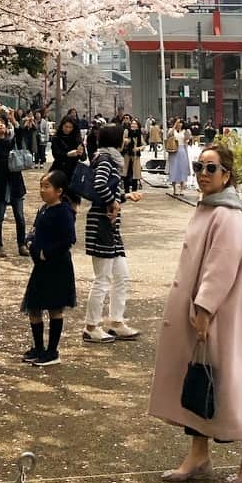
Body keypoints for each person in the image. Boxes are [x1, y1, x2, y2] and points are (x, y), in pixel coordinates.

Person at [149, 142, 242, 483]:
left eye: (211, 168)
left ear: (227, 175)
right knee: (200, 380)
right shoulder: (209, 207)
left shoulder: (226, 215)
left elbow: (221, 267)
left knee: (224, 381)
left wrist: (204, 308)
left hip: (217, 314)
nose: (203, 174)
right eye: (200, 167)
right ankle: (199, 452)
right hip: (203, 311)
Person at [83, 123, 143, 343]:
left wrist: (124, 198)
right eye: (123, 137)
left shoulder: (107, 158)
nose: (126, 140)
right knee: (103, 278)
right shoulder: (106, 159)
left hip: (109, 225)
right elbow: (100, 184)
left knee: (121, 276)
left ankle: (116, 321)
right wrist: (112, 202)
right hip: (101, 224)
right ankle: (91, 326)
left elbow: (106, 190)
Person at [20, 170, 78, 367]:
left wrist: (46, 253)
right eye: (41, 186)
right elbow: (35, 229)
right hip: (41, 267)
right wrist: (29, 241)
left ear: (59, 191)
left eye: (47, 187)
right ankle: (38, 348)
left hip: (57, 266)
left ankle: (52, 351)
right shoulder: (44, 208)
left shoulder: (64, 211)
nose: (43, 190)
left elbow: (69, 239)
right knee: (34, 307)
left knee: (55, 308)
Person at [0, 117, 29, 257]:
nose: (0, 125)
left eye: (2, 124)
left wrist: (13, 120)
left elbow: (20, 134)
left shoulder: (11, 142)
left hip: (15, 183)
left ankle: (22, 245)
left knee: (20, 217)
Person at [166, 117, 191, 196]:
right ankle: (174, 188)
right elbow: (168, 135)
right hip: (173, 150)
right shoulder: (172, 130)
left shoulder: (185, 131)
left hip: (182, 150)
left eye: (180, 123)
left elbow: (188, 138)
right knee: (174, 169)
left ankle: (182, 187)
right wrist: (174, 126)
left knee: (182, 169)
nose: (179, 124)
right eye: (178, 123)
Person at [121, 115, 143, 193]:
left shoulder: (139, 134)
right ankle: (126, 191)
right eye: (132, 124)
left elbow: (143, 145)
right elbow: (123, 140)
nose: (133, 125)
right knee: (126, 173)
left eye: (135, 124)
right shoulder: (127, 131)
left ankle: (134, 191)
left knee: (135, 174)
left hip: (136, 156)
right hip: (127, 155)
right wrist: (127, 141)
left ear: (138, 126)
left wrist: (138, 148)